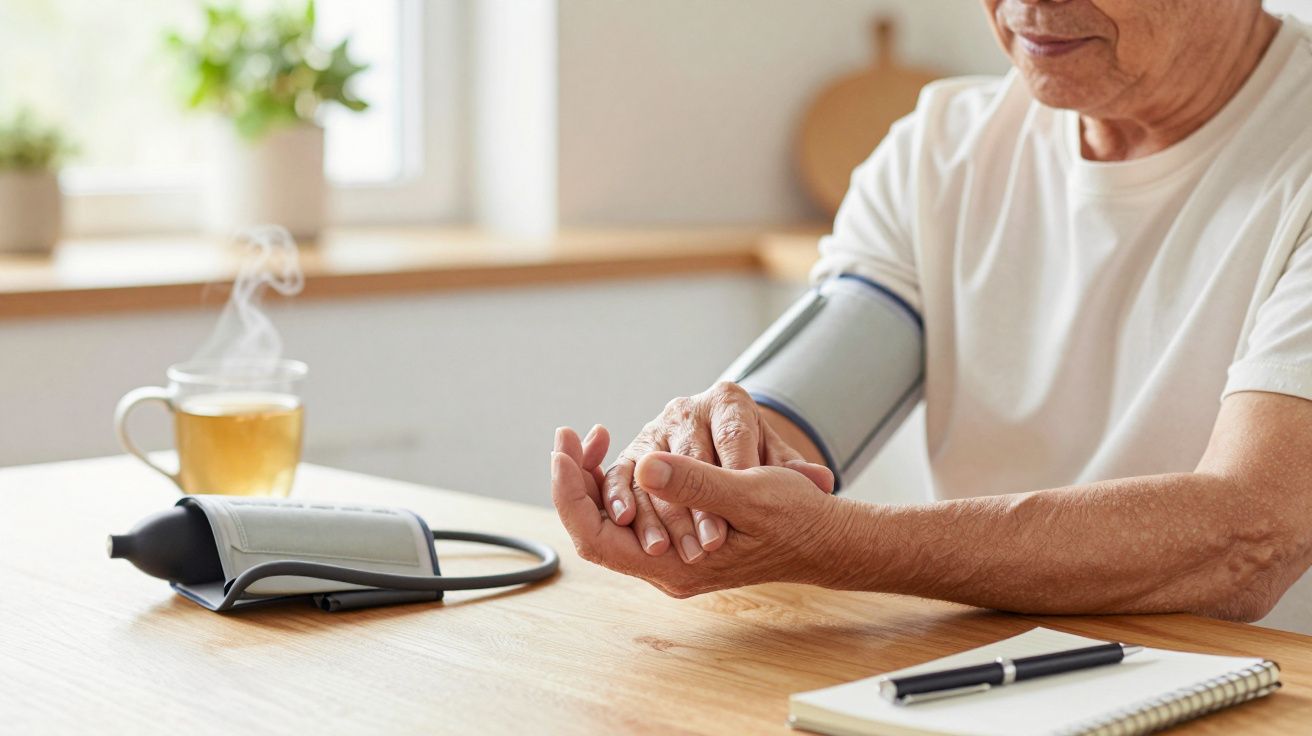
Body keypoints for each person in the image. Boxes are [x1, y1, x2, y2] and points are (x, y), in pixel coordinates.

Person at [550, 0, 1312, 633]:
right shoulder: (941, 148)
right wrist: (697, 480)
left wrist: (838, 545)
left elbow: (1247, 536)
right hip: (984, 680)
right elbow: (794, 414)